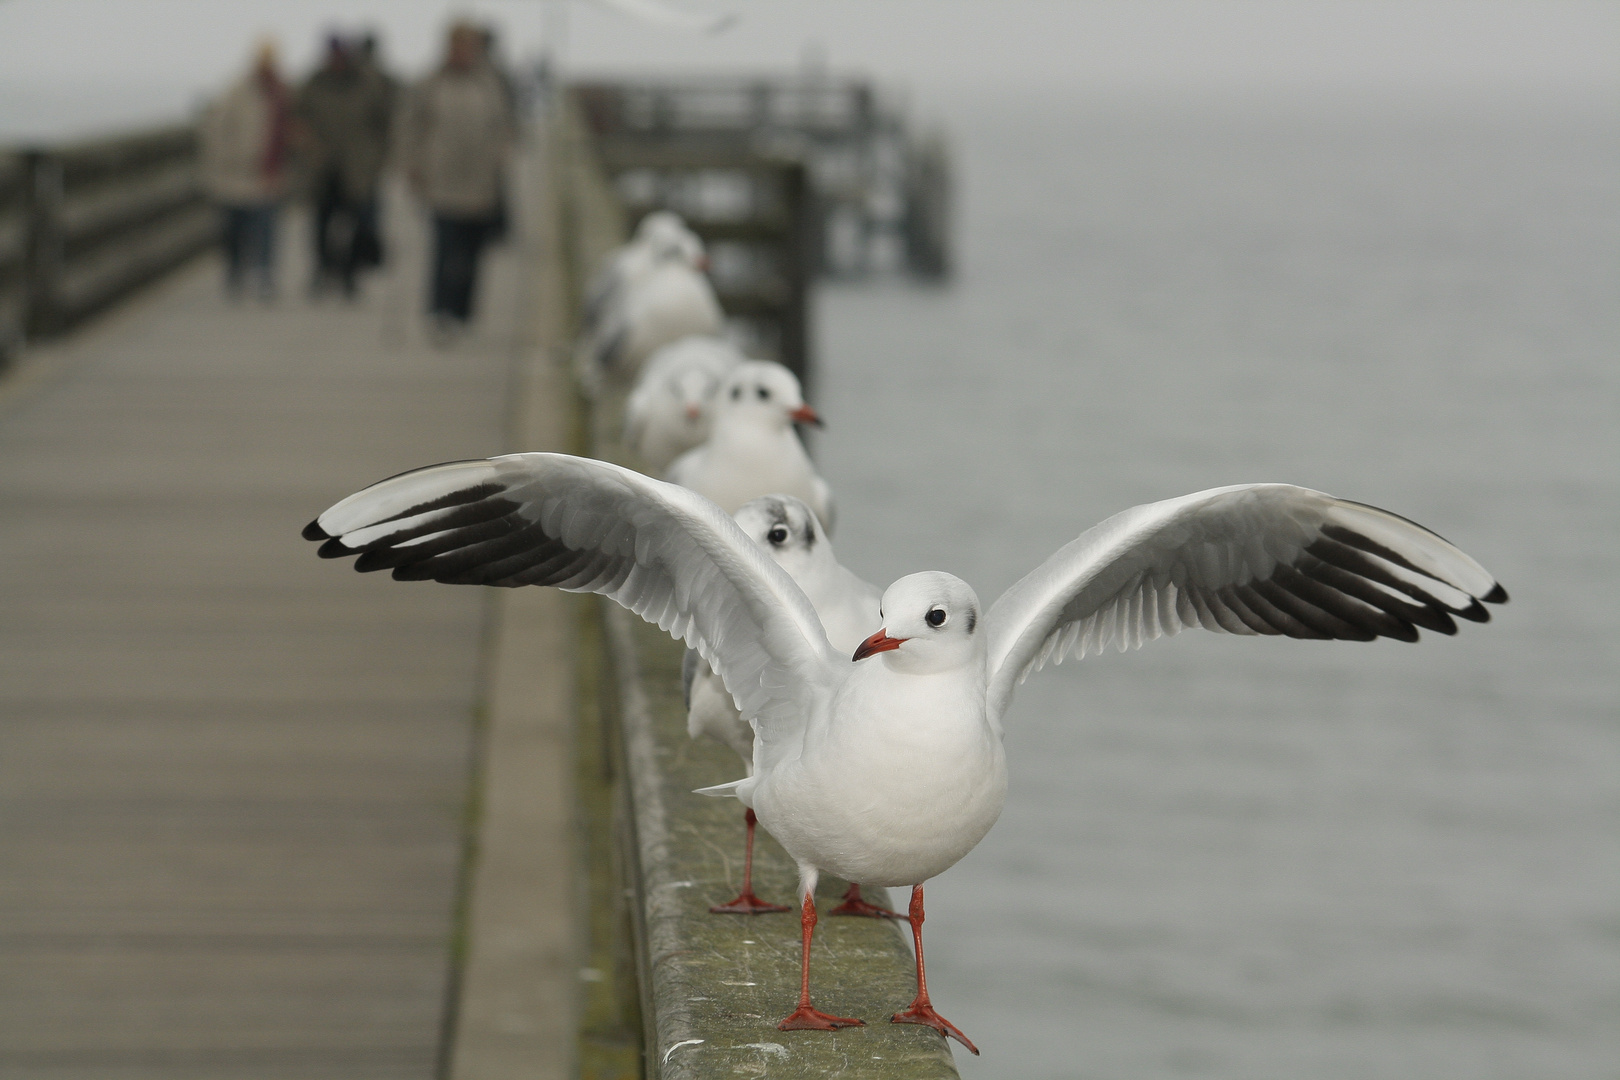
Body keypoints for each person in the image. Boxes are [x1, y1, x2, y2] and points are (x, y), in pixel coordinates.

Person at [395, 21, 515, 339]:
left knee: (473, 251)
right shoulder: (430, 83)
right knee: (445, 248)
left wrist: (500, 156)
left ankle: (464, 311)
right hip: (441, 180)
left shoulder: (488, 83)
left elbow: (503, 125)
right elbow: (410, 126)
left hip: (480, 181)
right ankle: (440, 310)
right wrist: (410, 165)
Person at [295, 34, 395, 298]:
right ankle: (322, 272)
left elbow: (384, 122)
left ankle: (350, 276)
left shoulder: (367, 83)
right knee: (321, 225)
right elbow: (297, 118)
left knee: (358, 225)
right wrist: (307, 145)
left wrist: (378, 159)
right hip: (323, 167)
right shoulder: (314, 83)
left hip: (358, 167)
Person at [200, 39, 292, 300]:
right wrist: (231, 157)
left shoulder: (281, 92)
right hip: (234, 176)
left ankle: (265, 276)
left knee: (266, 229)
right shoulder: (237, 90)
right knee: (234, 230)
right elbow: (215, 128)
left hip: (267, 176)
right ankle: (235, 273)